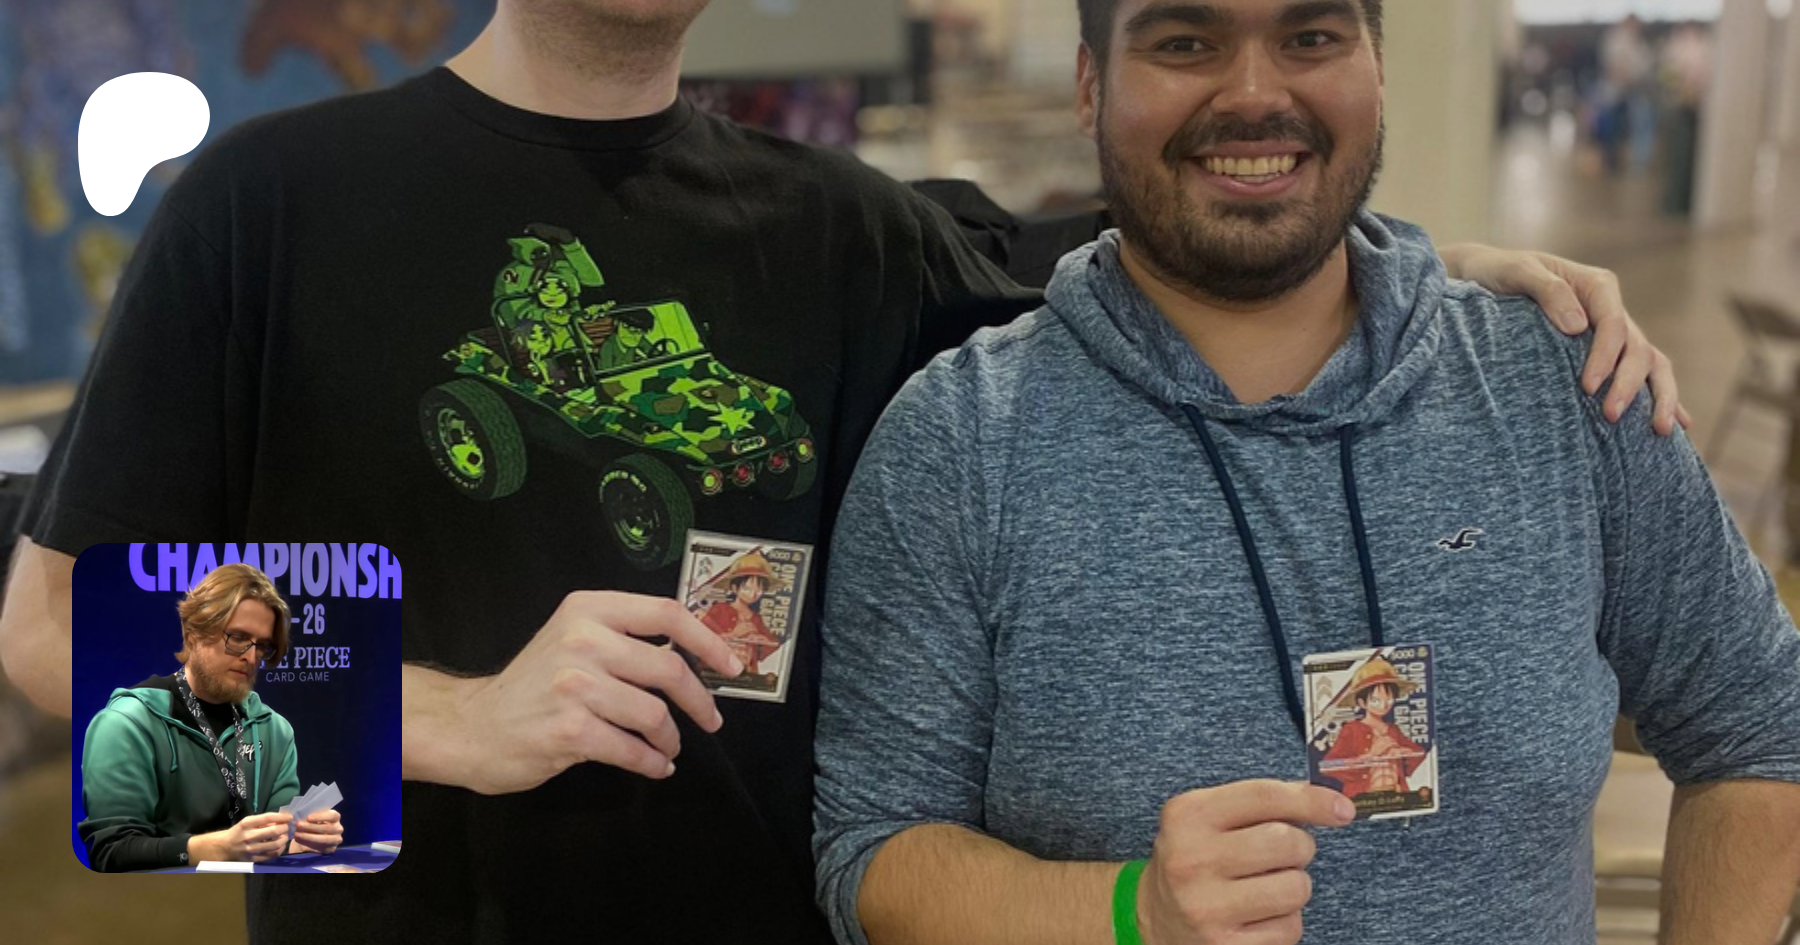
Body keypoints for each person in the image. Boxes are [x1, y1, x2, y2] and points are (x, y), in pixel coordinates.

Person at [0, 0, 1689, 940]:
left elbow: (1187, 254)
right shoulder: (270, 206)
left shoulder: (844, 230)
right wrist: (446, 717)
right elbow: (55, 636)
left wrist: (1435, 277)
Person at [813, 3, 1800, 945]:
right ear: (1090, 85)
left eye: (1311, 36)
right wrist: (1125, 912)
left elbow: (1761, 728)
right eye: (1185, 41)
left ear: (1377, 70)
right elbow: (874, 852)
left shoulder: (1565, 384)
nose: (1253, 93)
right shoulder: (959, 439)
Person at [78, 563, 344, 872]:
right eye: (238, 637)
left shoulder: (274, 730)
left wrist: (303, 843)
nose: (250, 657)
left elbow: (274, 848)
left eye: (262, 646)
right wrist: (220, 848)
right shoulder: (128, 724)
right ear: (193, 633)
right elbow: (111, 851)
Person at [1314, 658, 1423, 800]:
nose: (1383, 705)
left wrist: (1403, 752)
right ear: (1361, 702)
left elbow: (1418, 754)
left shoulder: (1393, 730)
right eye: (1376, 700)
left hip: (1396, 794)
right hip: (1364, 797)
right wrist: (1371, 755)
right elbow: (1328, 766)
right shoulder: (1351, 730)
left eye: (1389, 699)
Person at [696, 550, 786, 674]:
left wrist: (761, 640)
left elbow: (770, 648)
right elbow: (701, 640)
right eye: (747, 588)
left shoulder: (756, 618)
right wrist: (734, 634)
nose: (753, 594)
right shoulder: (720, 609)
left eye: (759, 590)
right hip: (715, 671)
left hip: (747, 674)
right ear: (734, 588)